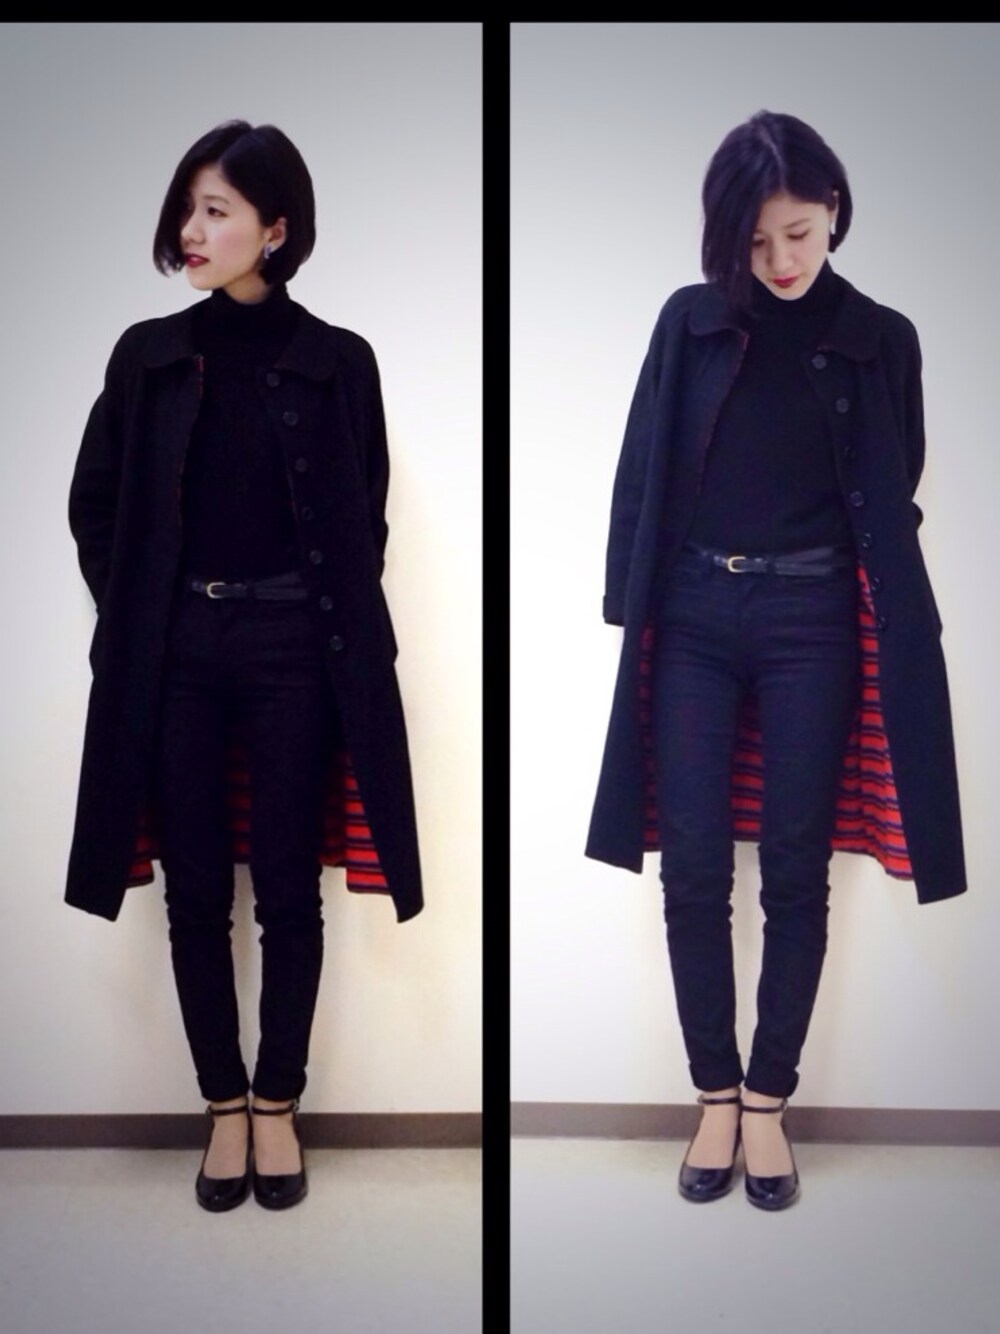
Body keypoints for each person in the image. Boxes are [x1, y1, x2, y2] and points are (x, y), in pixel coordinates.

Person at [586, 111, 965, 1210]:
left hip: (814, 618)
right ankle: (713, 1092)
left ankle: (767, 1102)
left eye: (797, 233)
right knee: (694, 866)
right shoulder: (691, 320)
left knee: (796, 866)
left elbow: (896, 480)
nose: (781, 260)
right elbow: (639, 464)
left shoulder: (880, 337)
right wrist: (626, 604)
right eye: (755, 243)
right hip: (695, 613)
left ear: (834, 210)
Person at [66, 120, 423, 1212]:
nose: (191, 227)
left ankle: (278, 1103)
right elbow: (94, 506)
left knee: (285, 887)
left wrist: (307, 622)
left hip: (293, 655)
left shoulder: (338, 361)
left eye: (215, 209)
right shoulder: (147, 356)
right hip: (176, 652)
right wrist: (139, 611)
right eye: (188, 206)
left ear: (276, 227)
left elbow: (363, 516)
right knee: (193, 891)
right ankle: (222, 1106)